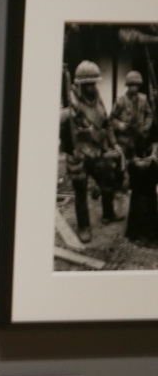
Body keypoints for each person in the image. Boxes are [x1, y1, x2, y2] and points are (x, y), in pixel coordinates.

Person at [61, 60, 123, 243]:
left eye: (93, 83)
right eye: (87, 84)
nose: (91, 87)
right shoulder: (70, 100)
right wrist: (65, 116)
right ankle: (84, 226)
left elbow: (107, 123)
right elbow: (54, 122)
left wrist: (114, 144)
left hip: (97, 151)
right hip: (78, 153)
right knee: (80, 192)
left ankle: (108, 213)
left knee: (107, 183)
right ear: (80, 84)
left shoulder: (97, 97)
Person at [111, 70, 154, 157]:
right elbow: (111, 118)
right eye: (131, 85)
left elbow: (150, 114)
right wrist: (119, 124)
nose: (134, 87)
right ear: (128, 85)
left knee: (142, 162)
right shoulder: (120, 101)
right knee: (122, 160)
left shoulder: (143, 99)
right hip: (124, 138)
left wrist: (145, 127)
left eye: (136, 85)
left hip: (139, 137)